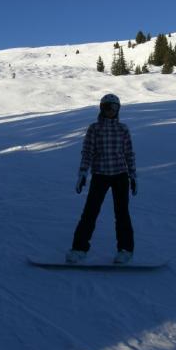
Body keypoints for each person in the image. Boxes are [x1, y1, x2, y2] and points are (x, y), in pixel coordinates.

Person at [66, 94, 137, 264]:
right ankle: (79, 249)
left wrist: (133, 175)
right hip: (100, 175)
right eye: (107, 107)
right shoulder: (94, 129)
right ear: (101, 108)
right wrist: (83, 173)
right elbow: (87, 152)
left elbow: (129, 153)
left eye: (114, 108)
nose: (111, 111)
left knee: (122, 214)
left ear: (118, 109)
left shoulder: (123, 129)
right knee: (90, 213)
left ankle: (125, 250)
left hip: (120, 175)